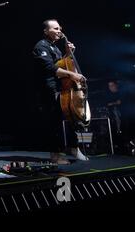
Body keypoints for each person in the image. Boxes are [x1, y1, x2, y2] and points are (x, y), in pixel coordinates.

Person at [32, 19, 89, 164]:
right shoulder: (41, 46)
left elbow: (63, 63)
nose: (59, 31)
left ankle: (74, 148)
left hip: (61, 88)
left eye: (60, 29)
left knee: (72, 118)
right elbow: (51, 68)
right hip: (49, 90)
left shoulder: (56, 48)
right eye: (55, 28)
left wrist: (69, 53)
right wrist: (72, 75)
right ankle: (55, 155)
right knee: (55, 122)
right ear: (46, 31)